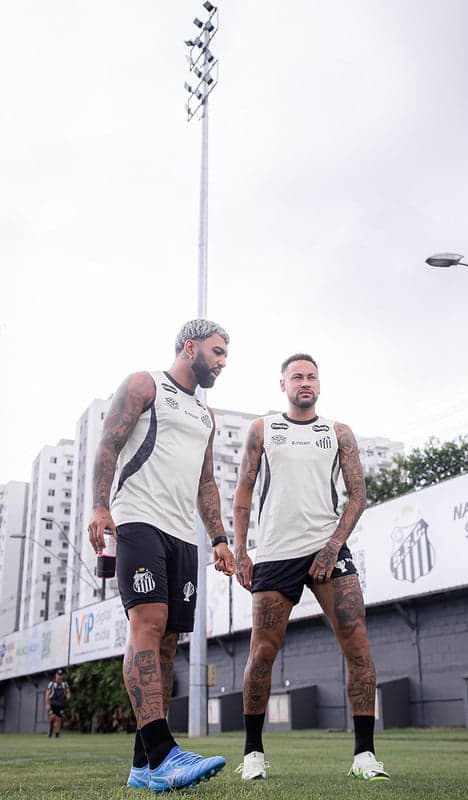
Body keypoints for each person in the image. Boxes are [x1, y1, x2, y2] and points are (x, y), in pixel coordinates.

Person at [87, 319, 236, 793]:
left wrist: (218, 538)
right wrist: (100, 504)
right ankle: (164, 751)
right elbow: (109, 443)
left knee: (168, 645)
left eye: (225, 355)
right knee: (146, 625)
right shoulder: (145, 384)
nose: (221, 362)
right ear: (189, 347)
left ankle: (143, 766)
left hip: (181, 536)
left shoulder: (204, 416)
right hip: (137, 519)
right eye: (216, 352)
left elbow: (206, 482)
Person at [233, 353, 390, 782]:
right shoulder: (263, 429)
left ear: (319, 384)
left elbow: (357, 495)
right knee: (262, 652)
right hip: (274, 553)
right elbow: (243, 491)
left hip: (327, 548)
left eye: (312, 377)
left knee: (358, 646)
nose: (305, 382)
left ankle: (364, 756)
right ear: (282, 384)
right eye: (297, 377)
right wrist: (242, 551)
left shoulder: (338, 432)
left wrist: (333, 545)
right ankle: (252, 754)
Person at [46, 669, 71, 738]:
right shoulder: (51, 683)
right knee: (52, 717)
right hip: (53, 703)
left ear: (62, 676)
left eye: (61, 675)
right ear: (56, 675)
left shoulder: (64, 684)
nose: (59, 677)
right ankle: (51, 729)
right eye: (58, 675)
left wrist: (68, 696)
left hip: (61, 704)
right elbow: (47, 694)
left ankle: (57, 733)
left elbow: (68, 692)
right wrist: (47, 704)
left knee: (59, 718)